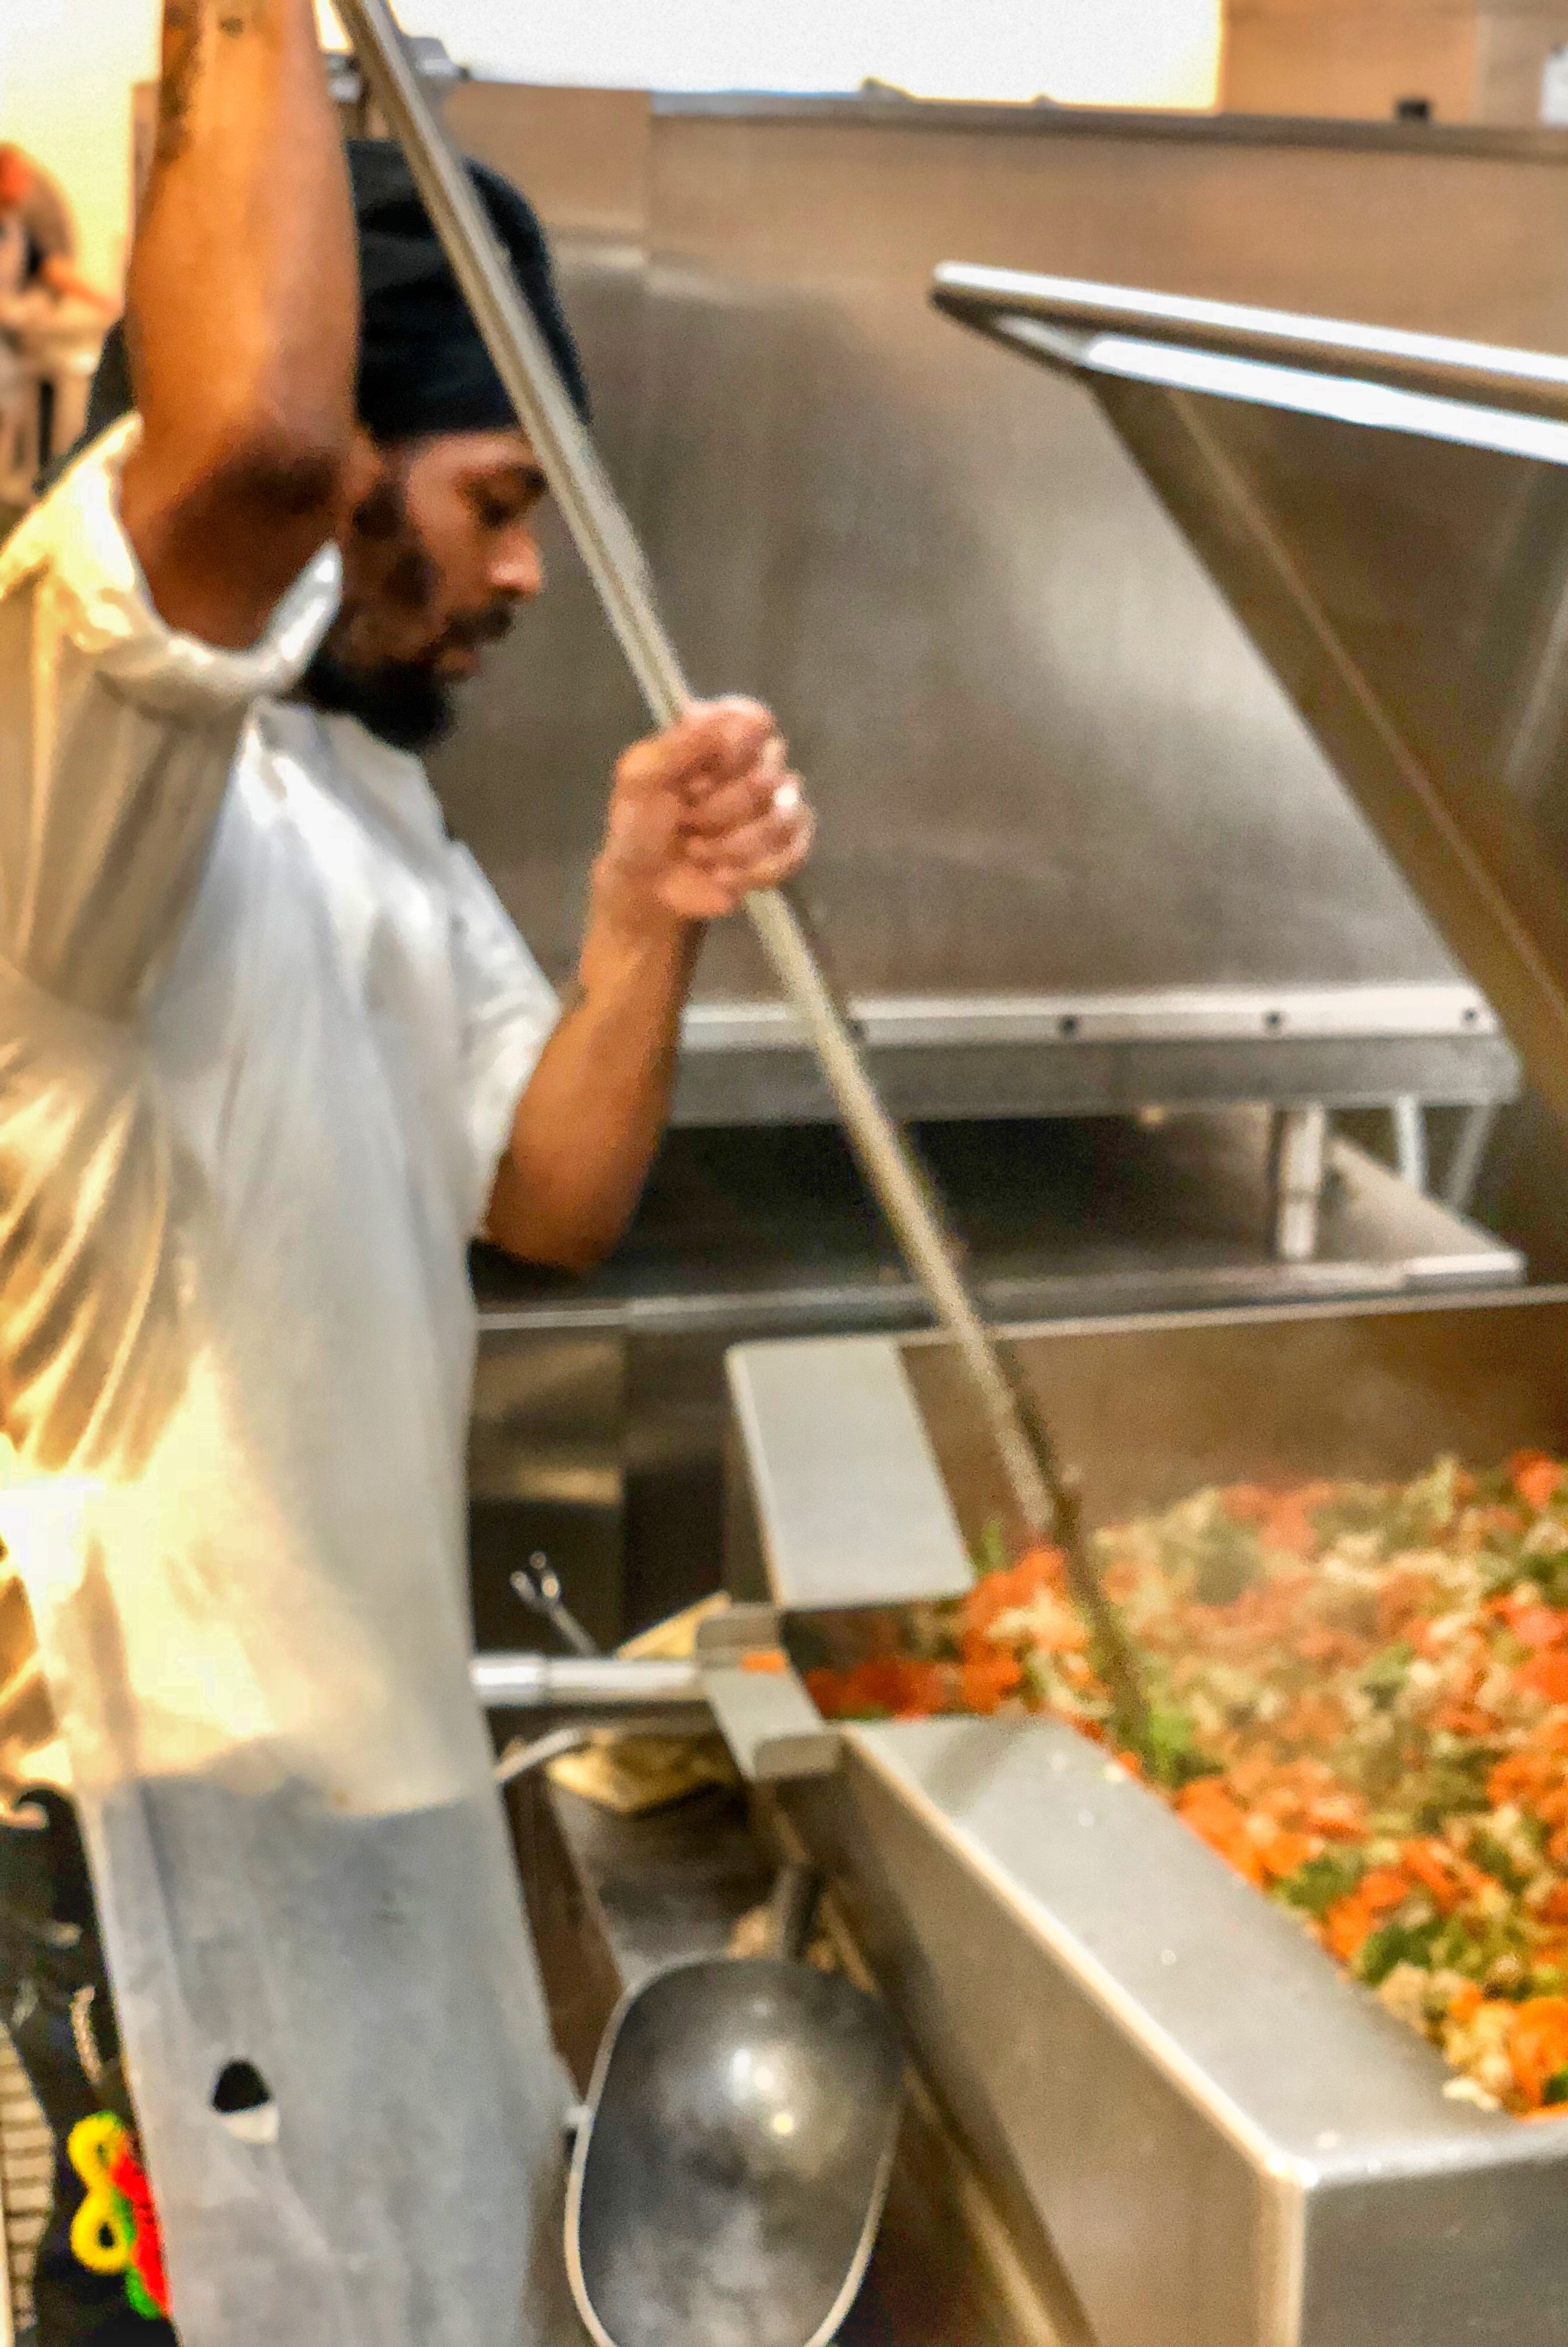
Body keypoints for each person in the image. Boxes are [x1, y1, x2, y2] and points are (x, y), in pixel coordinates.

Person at [0, 1, 813, 2342]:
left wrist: (645, 916)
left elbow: (543, 1190)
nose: (529, 574)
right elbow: (236, 441)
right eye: (500, 496)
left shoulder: (366, 802)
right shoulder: (87, 750)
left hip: (357, 1821)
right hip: (140, 1854)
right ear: (354, 473)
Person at [0, 146, 112, 313]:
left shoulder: (14, 232)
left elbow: (51, 267)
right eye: (18, 175)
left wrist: (103, 300)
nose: (26, 182)